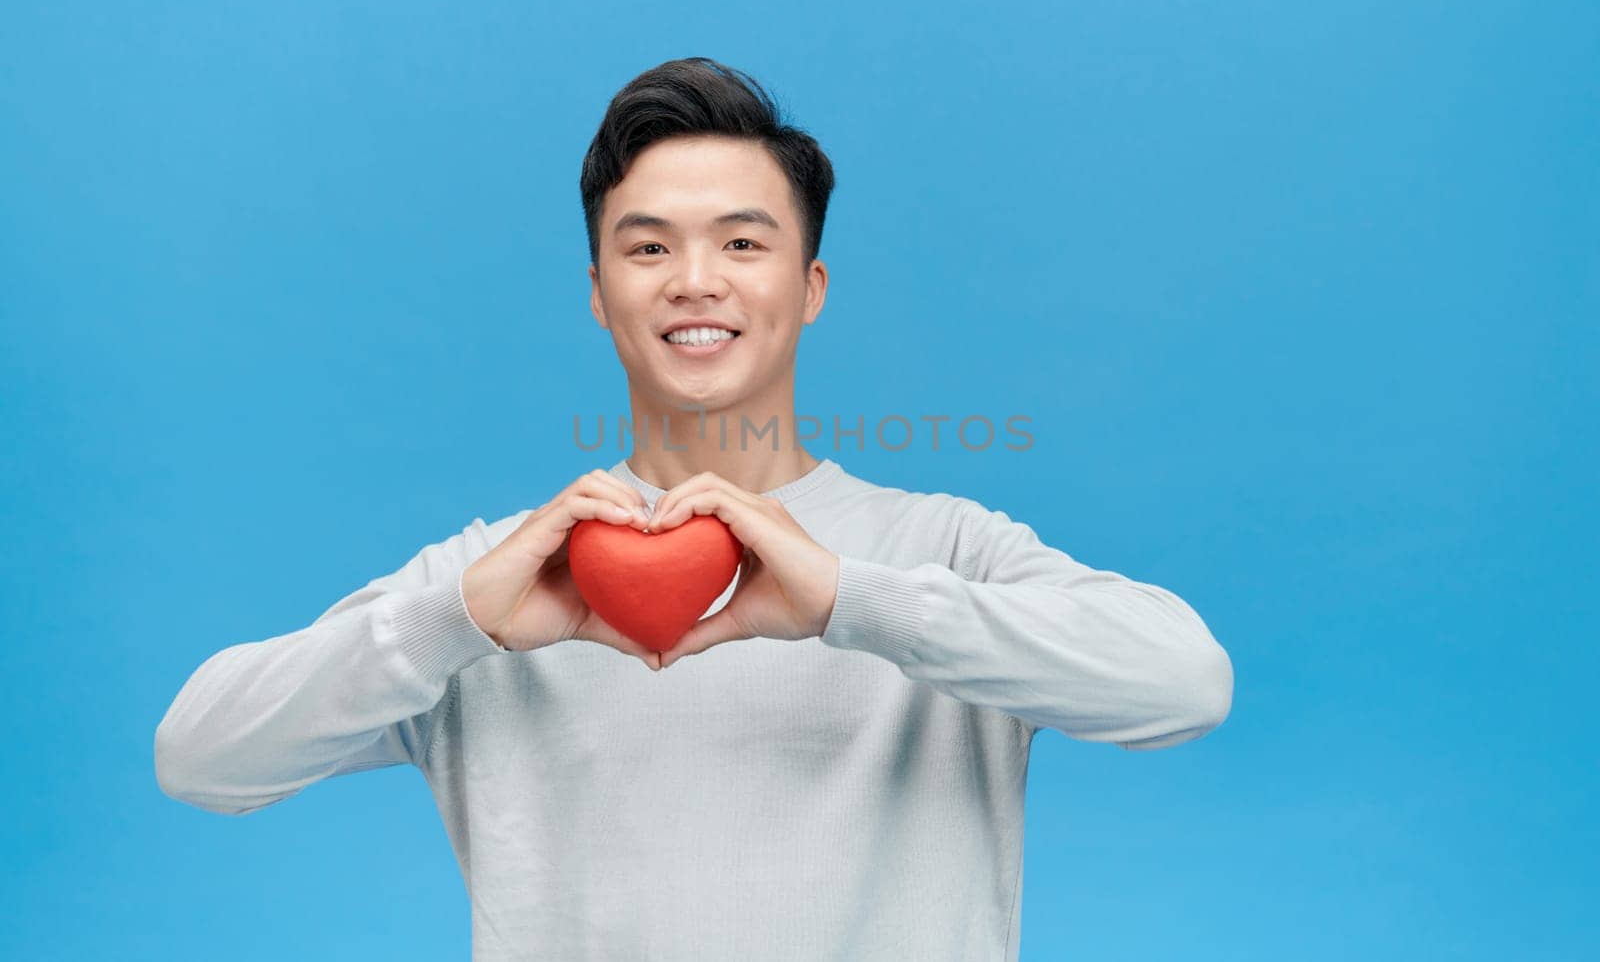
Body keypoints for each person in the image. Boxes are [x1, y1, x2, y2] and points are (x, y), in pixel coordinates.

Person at [154, 56, 1234, 961]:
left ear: (809, 287)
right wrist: (456, 622)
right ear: (598, 292)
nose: (694, 279)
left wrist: (849, 601)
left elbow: (1184, 682)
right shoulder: (500, 580)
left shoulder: (937, 548)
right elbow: (198, 757)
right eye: (648, 245)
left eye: (743, 241)